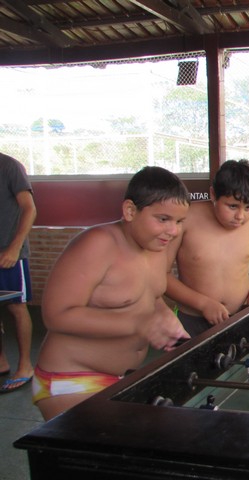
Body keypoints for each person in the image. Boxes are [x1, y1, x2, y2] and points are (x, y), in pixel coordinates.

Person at [32, 166, 190, 420]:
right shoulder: (98, 244)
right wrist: (138, 324)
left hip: (122, 378)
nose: (173, 231)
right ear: (130, 211)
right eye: (163, 219)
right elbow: (56, 315)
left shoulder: (157, 248)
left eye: (179, 221)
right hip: (71, 379)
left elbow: (151, 296)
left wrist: (171, 328)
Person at [165, 159, 249, 337]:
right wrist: (203, 304)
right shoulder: (186, 219)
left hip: (238, 316)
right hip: (191, 321)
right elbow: (161, 275)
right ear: (213, 194)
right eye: (232, 206)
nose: (240, 216)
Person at [0, 153, 37, 394]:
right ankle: (1, 361)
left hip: (10, 252)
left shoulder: (9, 166)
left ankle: (25, 366)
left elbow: (29, 209)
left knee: (16, 306)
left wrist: (14, 247)